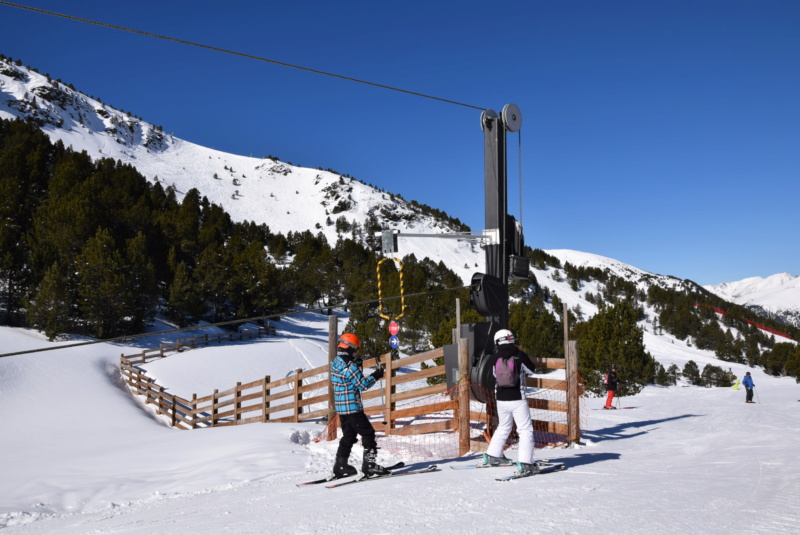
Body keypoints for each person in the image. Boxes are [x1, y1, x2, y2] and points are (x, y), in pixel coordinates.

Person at [329, 332, 389, 479]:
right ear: (349, 348)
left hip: (342, 409)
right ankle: (369, 466)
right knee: (368, 433)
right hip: (353, 408)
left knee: (349, 435)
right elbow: (362, 385)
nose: (356, 352)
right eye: (355, 349)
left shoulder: (335, 362)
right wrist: (375, 376)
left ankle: (340, 465)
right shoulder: (350, 367)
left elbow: (347, 380)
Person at [482, 329, 539, 476]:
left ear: (497, 341)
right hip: (517, 398)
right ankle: (526, 463)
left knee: (504, 426)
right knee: (525, 430)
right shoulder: (519, 355)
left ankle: (493, 455)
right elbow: (532, 370)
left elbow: (494, 375)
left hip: (501, 398)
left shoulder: (494, 357)